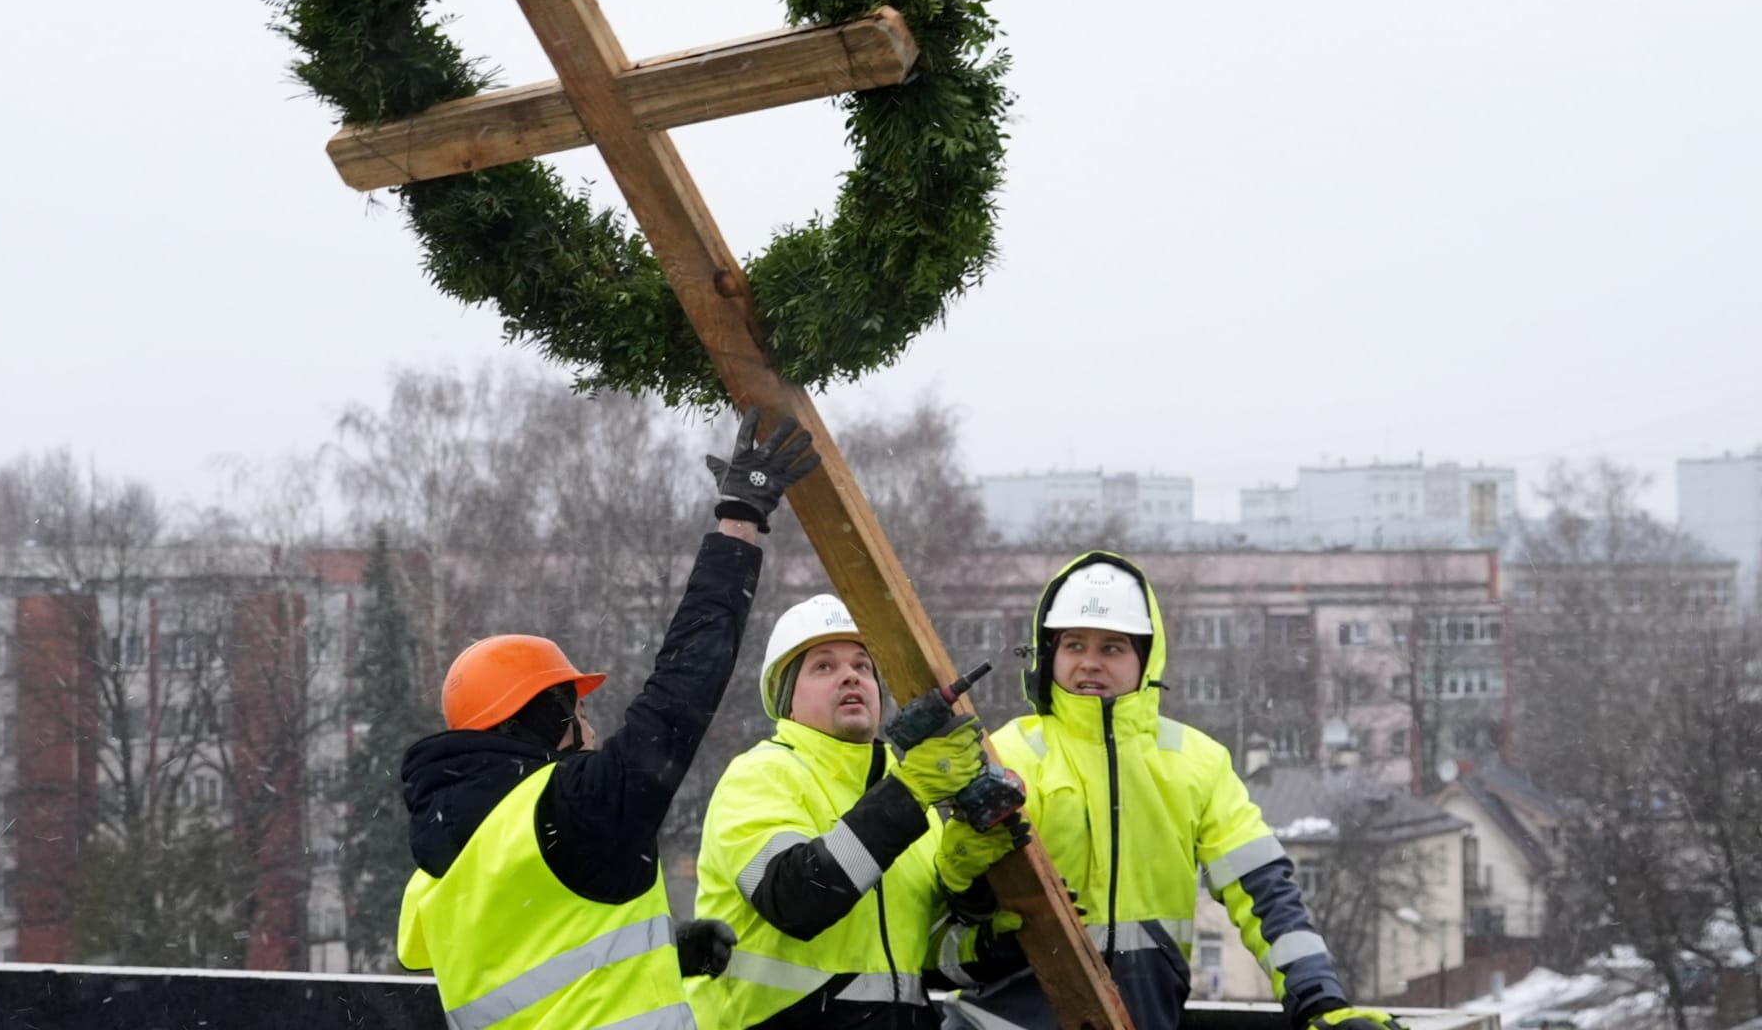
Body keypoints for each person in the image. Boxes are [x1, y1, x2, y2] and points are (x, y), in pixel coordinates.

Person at [396, 410, 820, 1030]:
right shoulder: (573, 810)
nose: (591, 731)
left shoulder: (442, 868)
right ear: (548, 719)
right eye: (579, 710)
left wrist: (664, 953)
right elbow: (684, 686)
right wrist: (739, 520)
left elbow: (540, 964)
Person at [937, 552, 1406, 1030]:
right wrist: (971, 891)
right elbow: (940, 926)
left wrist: (1320, 1005)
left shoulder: (1196, 762)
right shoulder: (1004, 756)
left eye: (1112, 648)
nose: (1089, 663)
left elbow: (1266, 895)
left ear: (1146, 658)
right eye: (1074, 645)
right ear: (1048, 653)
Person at [687, 593, 1024, 1029]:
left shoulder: (908, 798)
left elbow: (930, 962)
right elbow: (795, 899)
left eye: (862, 666)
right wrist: (910, 791)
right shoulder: (761, 775)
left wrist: (986, 919)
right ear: (786, 698)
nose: (850, 676)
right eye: (824, 666)